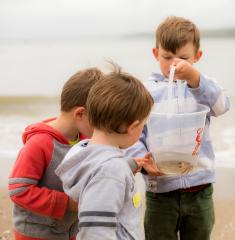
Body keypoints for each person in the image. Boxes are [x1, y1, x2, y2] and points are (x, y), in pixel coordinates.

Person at [127, 16, 230, 240]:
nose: (174, 63)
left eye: (183, 57)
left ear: (197, 57)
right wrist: (143, 162)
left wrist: (195, 78)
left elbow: (222, 106)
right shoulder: (146, 91)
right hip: (161, 190)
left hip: (200, 188)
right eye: (167, 57)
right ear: (156, 53)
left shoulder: (201, 88)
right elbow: (133, 134)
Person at [56, 63, 159, 240]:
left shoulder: (83, 151)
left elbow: (98, 177)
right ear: (132, 127)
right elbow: (95, 231)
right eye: (143, 125)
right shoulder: (111, 171)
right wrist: (120, 169)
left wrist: (130, 164)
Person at [8, 68, 103, 240]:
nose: (104, 126)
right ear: (80, 113)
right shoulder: (39, 143)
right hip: (35, 234)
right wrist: (68, 203)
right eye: (101, 119)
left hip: (69, 231)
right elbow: (19, 190)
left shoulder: (84, 139)